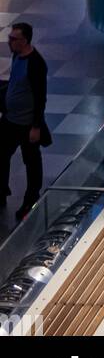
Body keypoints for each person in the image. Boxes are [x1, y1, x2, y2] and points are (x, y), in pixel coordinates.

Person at [0, 22, 51, 221]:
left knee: (31, 161)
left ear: (25, 40)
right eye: (9, 38)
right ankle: (1, 190)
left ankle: (31, 199)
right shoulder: (17, 56)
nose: (9, 42)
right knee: (1, 154)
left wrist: (36, 126)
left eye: (13, 39)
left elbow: (40, 97)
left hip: (27, 124)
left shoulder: (36, 64)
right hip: (10, 120)